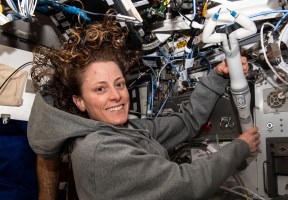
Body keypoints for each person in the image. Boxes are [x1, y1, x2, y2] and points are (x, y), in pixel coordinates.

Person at [27, 15, 260, 200]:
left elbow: (185, 123)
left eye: (119, 84)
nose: (116, 96)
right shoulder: (99, 151)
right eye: (100, 89)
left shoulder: (124, 129)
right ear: (79, 101)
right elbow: (186, 184)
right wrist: (240, 147)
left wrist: (217, 76)